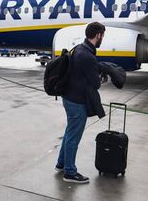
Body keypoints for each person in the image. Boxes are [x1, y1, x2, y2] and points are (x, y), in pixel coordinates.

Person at [56, 22, 106, 184]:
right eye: (102, 35)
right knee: (74, 136)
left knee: (70, 132)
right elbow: (95, 84)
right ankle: (69, 172)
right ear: (98, 35)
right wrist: (101, 77)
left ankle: (62, 163)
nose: (102, 38)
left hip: (69, 97)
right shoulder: (88, 55)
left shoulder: (79, 48)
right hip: (77, 101)